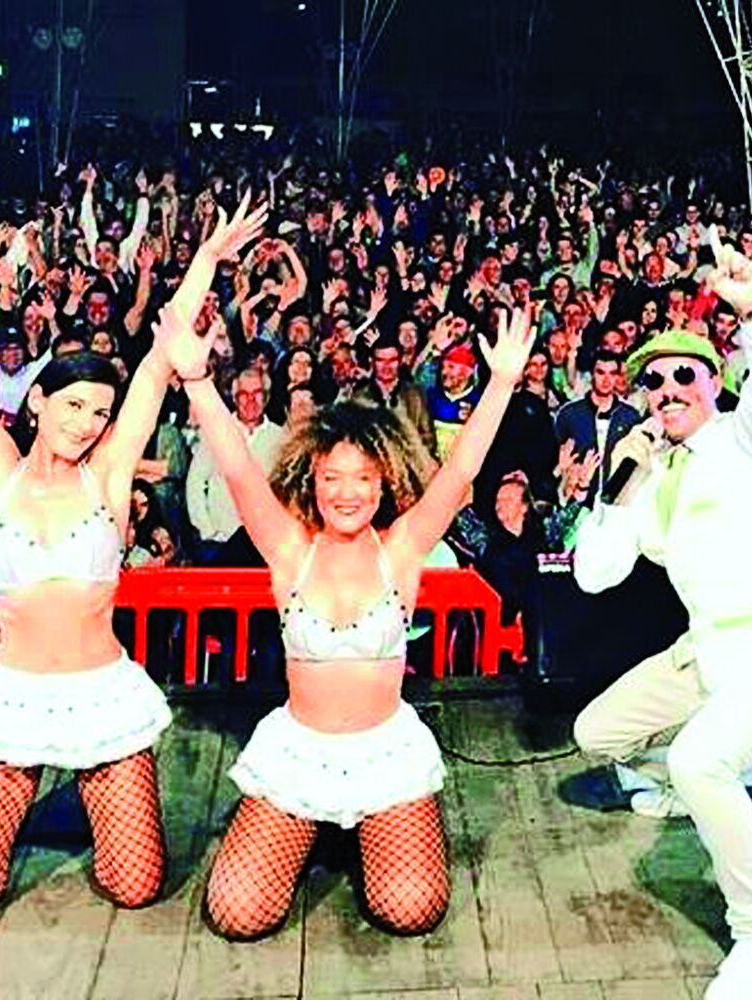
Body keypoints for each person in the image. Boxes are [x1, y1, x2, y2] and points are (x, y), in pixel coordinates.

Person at [171, 293, 535, 939]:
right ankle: (313, 829)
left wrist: (503, 381)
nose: (347, 492)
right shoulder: (290, 550)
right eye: (332, 478)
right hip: (300, 751)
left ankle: (364, 832)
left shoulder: (402, 550)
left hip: (383, 751)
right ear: (311, 480)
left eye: (363, 478)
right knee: (237, 915)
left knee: (410, 911)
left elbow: (461, 471)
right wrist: (198, 381)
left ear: (383, 481)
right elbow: (238, 469)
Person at [0, 195, 266, 912]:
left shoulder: (108, 477)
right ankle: (45, 803)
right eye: (73, 405)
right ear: (37, 401)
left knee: (136, 886)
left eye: (100, 413)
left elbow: (158, 360)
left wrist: (207, 259)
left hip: (99, 695)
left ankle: (83, 796)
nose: (86, 423)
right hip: (11, 700)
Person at [571, 234, 752, 999]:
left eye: (685, 374)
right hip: (704, 658)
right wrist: (622, 482)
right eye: (653, 380)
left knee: (697, 761)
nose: (668, 388)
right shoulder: (652, 475)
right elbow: (593, 574)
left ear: (715, 382)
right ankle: (713, 774)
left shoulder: (748, 438)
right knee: (595, 735)